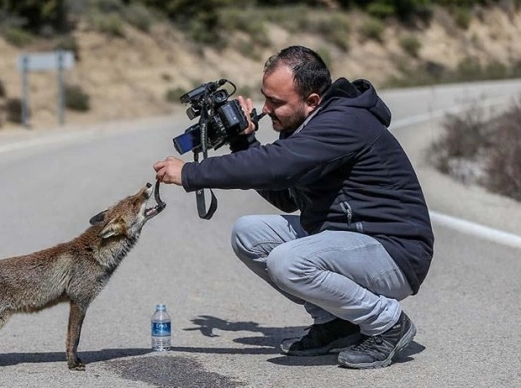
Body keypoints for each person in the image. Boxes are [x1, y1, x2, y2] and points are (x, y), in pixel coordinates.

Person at [153, 45, 434, 369]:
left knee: (287, 261)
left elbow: (274, 165)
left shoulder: (343, 122)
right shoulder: (306, 128)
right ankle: (335, 324)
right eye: (265, 98)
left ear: (312, 100)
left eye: (276, 102)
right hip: (347, 239)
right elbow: (287, 194)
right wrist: (244, 140)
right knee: (247, 233)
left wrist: (190, 173)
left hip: (394, 252)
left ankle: (387, 324)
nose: (266, 109)